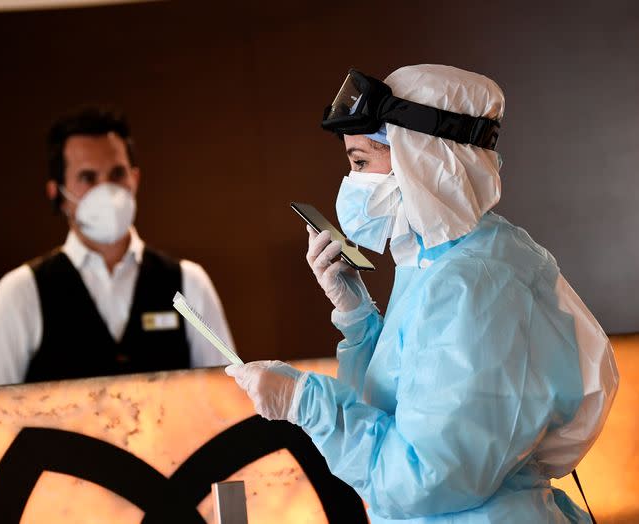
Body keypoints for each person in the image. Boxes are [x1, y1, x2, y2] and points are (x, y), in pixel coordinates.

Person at [226, 65, 619, 522]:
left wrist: (306, 403)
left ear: (421, 159)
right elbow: (399, 409)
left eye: (360, 163)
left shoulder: (474, 282)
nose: (352, 183)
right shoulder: (438, 260)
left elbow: (422, 479)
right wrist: (357, 318)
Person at [0, 107, 234, 386]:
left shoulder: (188, 282)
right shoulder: (21, 292)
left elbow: (229, 395)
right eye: (88, 178)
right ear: (57, 193)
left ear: (135, 179)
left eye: (117, 174)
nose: (106, 190)